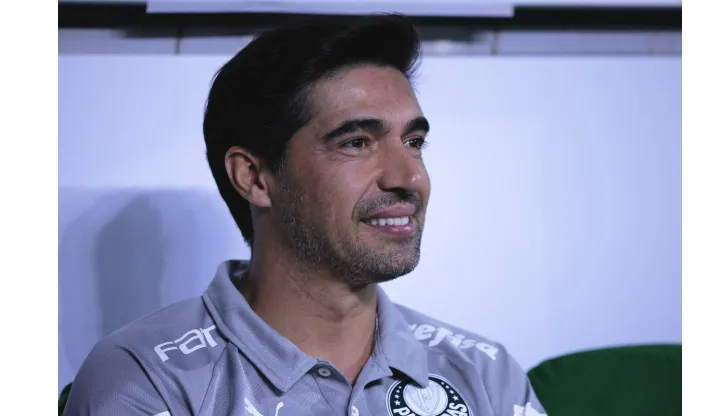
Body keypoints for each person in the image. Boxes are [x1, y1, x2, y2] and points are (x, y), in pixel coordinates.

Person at [64, 13, 547, 416]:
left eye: (414, 143)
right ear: (254, 177)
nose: (408, 177)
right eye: (356, 143)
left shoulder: (485, 374)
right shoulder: (148, 377)